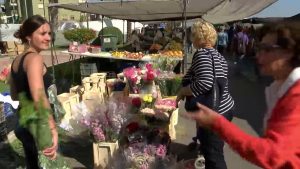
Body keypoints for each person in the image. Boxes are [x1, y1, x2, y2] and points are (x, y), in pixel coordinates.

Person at [184, 23, 300, 168]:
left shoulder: (296, 96)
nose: (258, 54)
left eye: (267, 49)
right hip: (225, 107)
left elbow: (272, 155)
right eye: (259, 48)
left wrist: (218, 123)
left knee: (214, 158)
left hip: (218, 110)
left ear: (289, 52)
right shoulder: (279, 89)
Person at [176, 20, 235, 169]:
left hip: (214, 113)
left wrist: (183, 91)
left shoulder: (201, 54)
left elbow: (206, 82)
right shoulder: (218, 55)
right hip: (225, 108)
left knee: (215, 157)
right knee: (213, 150)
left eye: (192, 34)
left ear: (196, 37)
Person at [9, 15, 58, 168]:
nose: (48, 38)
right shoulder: (35, 59)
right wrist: (52, 128)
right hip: (40, 126)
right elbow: (39, 97)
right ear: (29, 36)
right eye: (42, 33)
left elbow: (14, 95)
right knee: (51, 164)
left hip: (24, 122)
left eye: (49, 33)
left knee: (33, 164)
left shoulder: (17, 60)